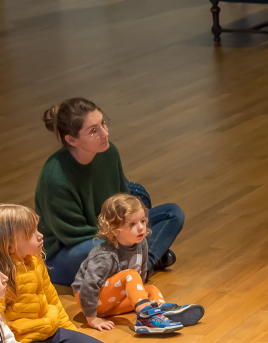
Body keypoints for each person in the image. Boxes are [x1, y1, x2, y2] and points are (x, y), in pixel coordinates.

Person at [37, 98, 186, 286]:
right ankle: (140, 263)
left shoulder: (109, 153)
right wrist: (124, 237)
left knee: (172, 213)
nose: (105, 133)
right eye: (93, 131)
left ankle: (142, 268)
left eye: (103, 124)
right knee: (100, 248)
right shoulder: (54, 176)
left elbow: (123, 202)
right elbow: (72, 235)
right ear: (71, 139)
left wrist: (128, 228)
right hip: (69, 252)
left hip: (114, 233)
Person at [0, 203, 114, 343]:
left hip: (50, 329)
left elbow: (52, 298)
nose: (40, 235)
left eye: (37, 229)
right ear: (9, 245)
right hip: (26, 342)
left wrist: (70, 331)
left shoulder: (35, 260)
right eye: (31, 233)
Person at [73, 193, 205, 335]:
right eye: (132, 224)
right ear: (113, 228)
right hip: (91, 301)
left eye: (142, 221)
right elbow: (89, 285)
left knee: (150, 290)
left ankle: (161, 312)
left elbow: (140, 280)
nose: (141, 227)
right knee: (130, 275)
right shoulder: (105, 255)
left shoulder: (141, 244)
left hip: (113, 301)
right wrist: (92, 318)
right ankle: (146, 318)